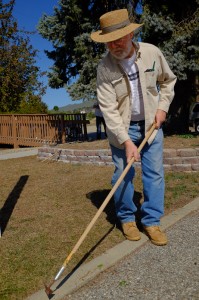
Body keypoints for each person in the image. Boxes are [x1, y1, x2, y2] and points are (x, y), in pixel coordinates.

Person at [90, 9, 177, 246]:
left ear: (130, 34)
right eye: (108, 42)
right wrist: (126, 141)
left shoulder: (151, 53)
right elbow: (108, 109)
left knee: (154, 175)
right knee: (122, 176)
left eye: (118, 39)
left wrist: (163, 108)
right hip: (122, 129)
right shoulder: (104, 68)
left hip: (151, 125)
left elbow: (168, 81)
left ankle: (151, 221)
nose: (114, 46)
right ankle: (127, 219)